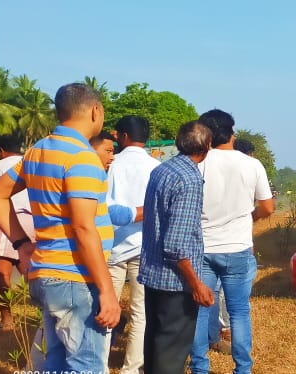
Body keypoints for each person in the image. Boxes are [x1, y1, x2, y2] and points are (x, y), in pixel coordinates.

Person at [0, 83, 119, 372]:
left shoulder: (38, 151)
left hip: (47, 274)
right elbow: (84, 229)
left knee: (57, 363)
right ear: (95, 111)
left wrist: (22, 245)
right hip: (76, 278)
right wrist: (107, 290)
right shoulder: (82, 158)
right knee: (86, 365)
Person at [190, 109, 274, 374]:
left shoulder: (197, 163)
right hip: (237, 248)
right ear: (232, 133)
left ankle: (200, 367)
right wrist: (250, 218)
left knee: (201, 311)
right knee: (238, 312)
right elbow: (268, 207)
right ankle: (243, 369)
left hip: (203, 248)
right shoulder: (251, 164)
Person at [139, 121, 215, 374]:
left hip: (154, 275)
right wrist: (196, 284)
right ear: (206, 147)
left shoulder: (162, 170)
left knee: (156, 344)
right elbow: (176, 244)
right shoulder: (190, 178)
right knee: (170, 355)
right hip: (176, 282)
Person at [104, 116, 161, 374]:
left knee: (106, 308)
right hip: (145, 246)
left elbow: (104, 208)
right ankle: (132, 368)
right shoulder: (156, 166)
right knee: (141, 312)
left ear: (123, 136)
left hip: (114, 246)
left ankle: (100, 363)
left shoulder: (112, 164)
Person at [0, 133, 33, 332]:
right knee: (31, 270)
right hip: (33, 222)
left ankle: (7, 319)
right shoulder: (31, 162)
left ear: (0, 151)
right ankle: (44, 312)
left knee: (2, 273)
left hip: (7, 221)